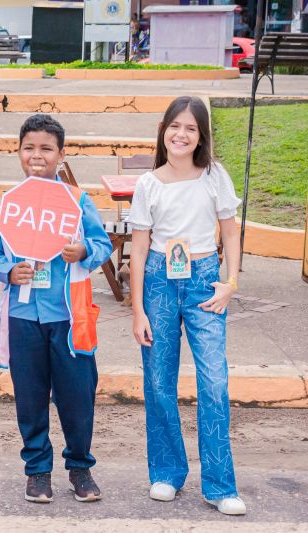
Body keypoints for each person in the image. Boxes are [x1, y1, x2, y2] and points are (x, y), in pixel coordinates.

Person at [0, 114, 112, 504]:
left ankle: (80, 467)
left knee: (78, 396)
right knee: (30, 397)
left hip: (70, 318)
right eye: (29, 148)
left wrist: (83, 250)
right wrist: (8, 270)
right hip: (23, 317)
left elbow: (103, 244)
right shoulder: (8, 204)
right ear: (18, 152)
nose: (37, 156)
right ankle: (37, 470)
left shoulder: (77, 201)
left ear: (61, 154)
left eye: (46, 149)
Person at [127, 96, 246, 516]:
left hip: (204, 283)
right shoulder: (148, 184)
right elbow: (139, 250)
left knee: (214, 381)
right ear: (163, 130)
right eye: (175, 126)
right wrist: (138, 310)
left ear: (201, 136)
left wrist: (230, 283)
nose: (181, 134)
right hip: (159, 282)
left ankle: (220, 485)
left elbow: (230, 233)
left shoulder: (214, 176)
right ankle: (166, 472)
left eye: (191, 128)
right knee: (159, 381)